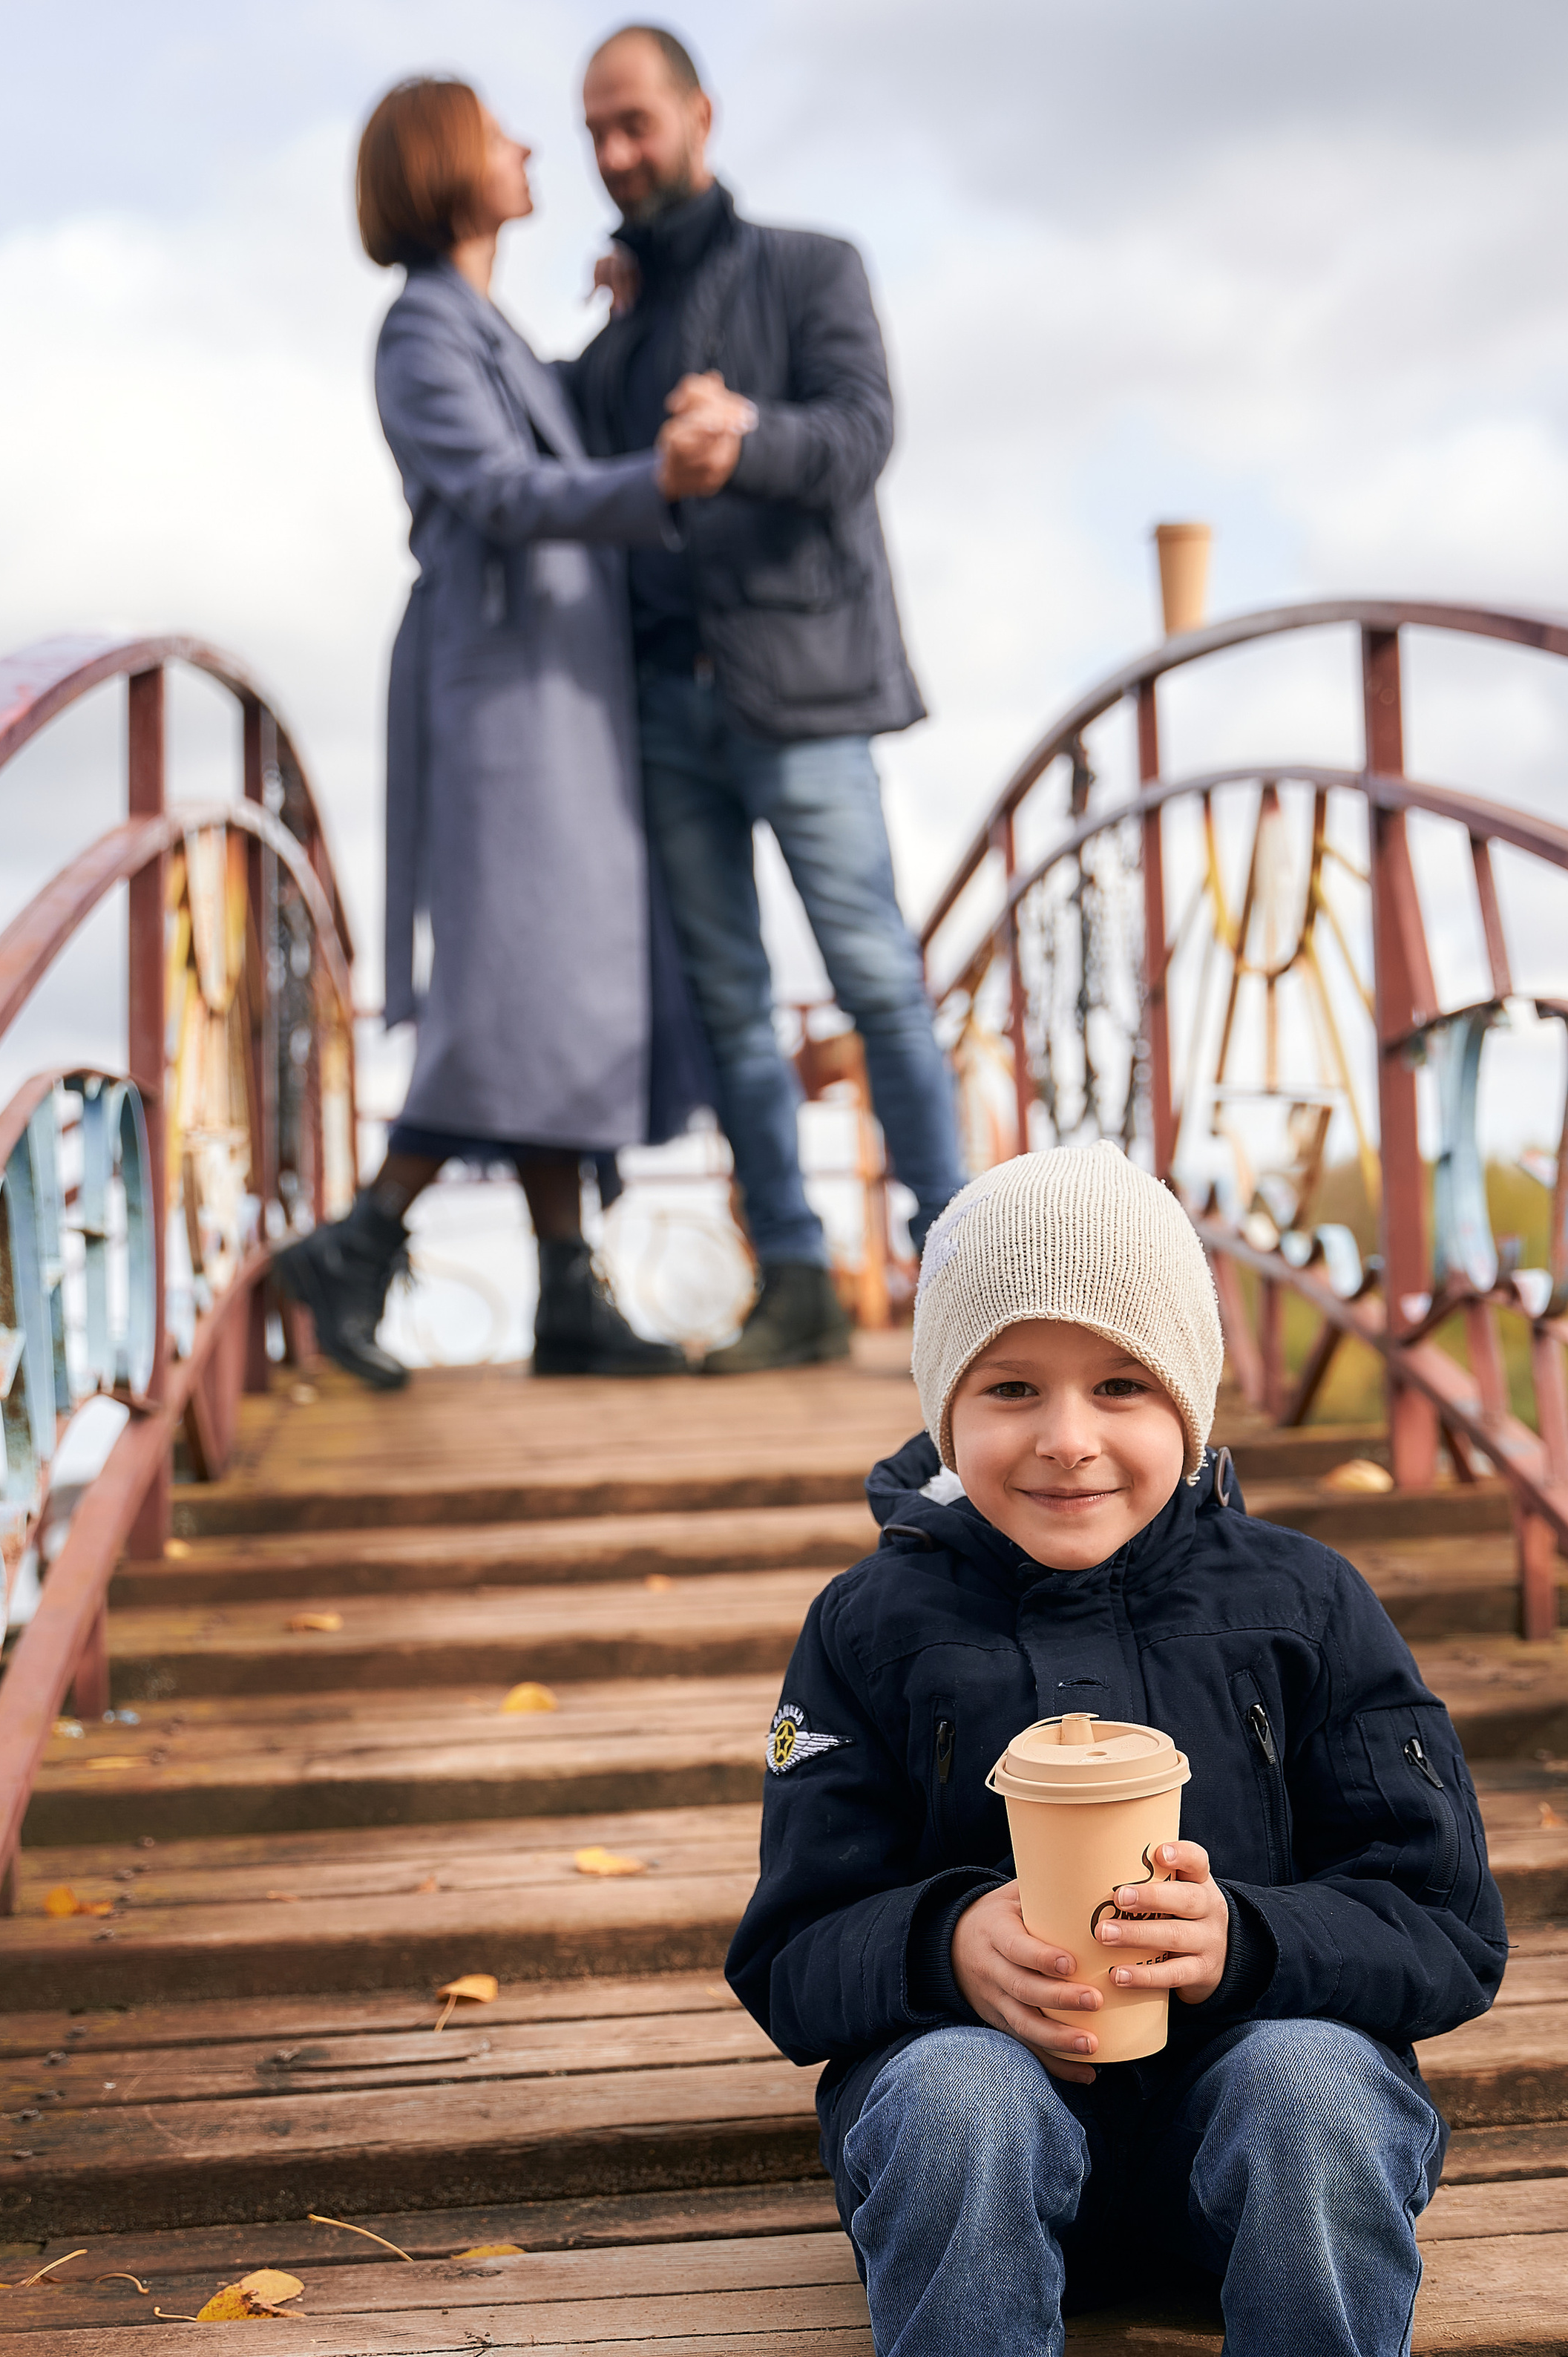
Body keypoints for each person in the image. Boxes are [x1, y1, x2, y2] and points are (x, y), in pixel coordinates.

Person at [725, 1142, 1518, 2357]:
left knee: (1316, 2075)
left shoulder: (1305, 1604)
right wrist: (944, 1943)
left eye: (1120, 1385)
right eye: (1007, 1386)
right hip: (980, 2175)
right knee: (945, 2087)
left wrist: (1254, 1938)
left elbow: (1444, 1929)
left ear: (1197, 1400)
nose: (1065, 1435)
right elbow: (788, 1951)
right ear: (943, 1405)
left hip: (1255, 2174)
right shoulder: (867, 1627)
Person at [275, 76, 748, 1386]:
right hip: (502, 694)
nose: (531, 145)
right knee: (517, 982)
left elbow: (548, 436)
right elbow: (497, 488)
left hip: (555, 687)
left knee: (554, 983)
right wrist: (657, 480)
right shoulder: (421, 332)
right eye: (500, 132)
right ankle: (363, 1241)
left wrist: (625, 318)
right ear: (445, 165)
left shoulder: (483, 325)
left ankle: (563, 1290)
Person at [572, 24, 968, 1375]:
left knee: (877, 983)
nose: (618, 153)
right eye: (598, 134)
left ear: (699, 114)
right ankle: (794, 1278)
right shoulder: (615, 333)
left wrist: (747, 436)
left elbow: (864, 432)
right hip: (662, 709)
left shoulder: (816, 265)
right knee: (731, 1004)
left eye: (637, 122)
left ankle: (967, 1268)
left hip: (806, 692)